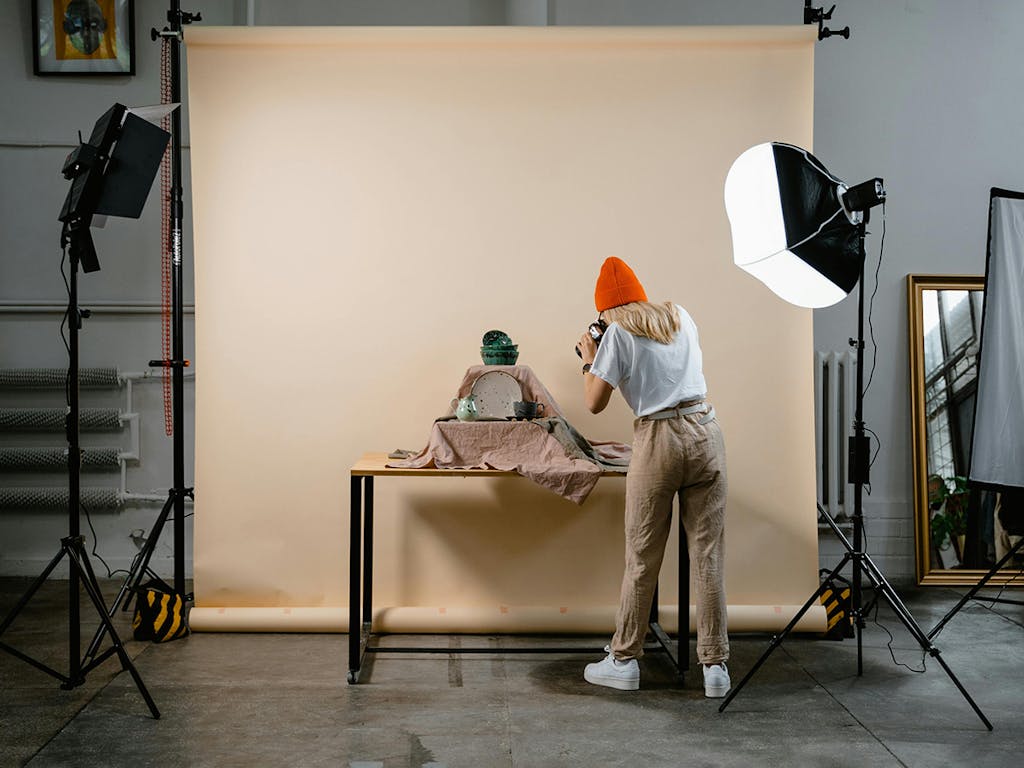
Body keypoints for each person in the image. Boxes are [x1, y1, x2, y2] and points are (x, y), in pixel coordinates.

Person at [576, 256, 730, 698]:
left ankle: (624, 661)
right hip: (706, 430)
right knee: (708, 555)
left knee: (643, 556)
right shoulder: (680, 315)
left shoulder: (617, 334)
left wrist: (591, 359)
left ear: (604, 312)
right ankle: (715, 667)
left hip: (660, 437)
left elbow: (593, 404)